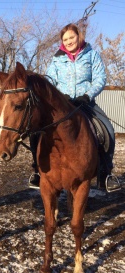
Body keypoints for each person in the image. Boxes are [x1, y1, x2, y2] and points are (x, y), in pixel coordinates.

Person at [29, 23, 120, 192]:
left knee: (107, 131)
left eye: (72, 37)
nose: (69, 41)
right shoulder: (57, 58)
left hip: (85, 102)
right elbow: (50, 80)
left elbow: (100, 78)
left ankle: (105, 173)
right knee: (35, 132)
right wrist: (57, 96)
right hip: (61, 105)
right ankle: (37, 171)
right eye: (65, 39)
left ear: (79, 36)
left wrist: (87, 95)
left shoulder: (92, 54)